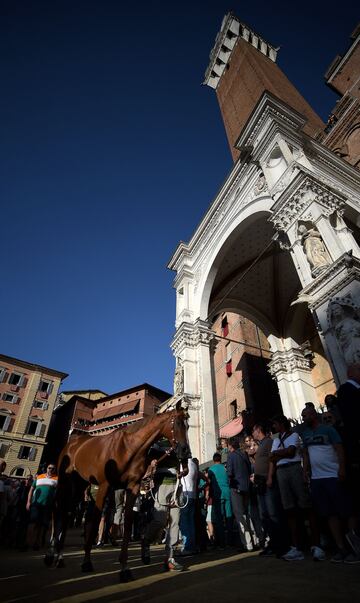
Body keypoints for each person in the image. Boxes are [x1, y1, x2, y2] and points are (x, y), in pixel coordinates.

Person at [301, 406, 355, 563]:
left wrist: (342, 468)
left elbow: (339, 449)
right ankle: (341, 548)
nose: (303, 418)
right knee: (329, 514)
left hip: (333, 474)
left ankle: (354, 545)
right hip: (318, 479)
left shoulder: (328, 430)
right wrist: (305, 471)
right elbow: (305, 454)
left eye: (305, 415)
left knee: (345, 511)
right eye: (302, 416)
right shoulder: (305, 434)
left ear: (313, 415)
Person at [268, 415, 324, 562]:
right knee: (289, 509)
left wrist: (277, 453)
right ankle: (296, 547)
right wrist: (280, 453)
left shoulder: (294, 435)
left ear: (281, 424)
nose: (273, 427)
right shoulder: (275, 440)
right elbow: (271, 458)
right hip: (281, 472)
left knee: (306, 505)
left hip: (294, 469)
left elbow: (291, 452)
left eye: (275, 423)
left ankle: (316, 545)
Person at [141, 444, 188, 572]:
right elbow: (146, 463)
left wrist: (184, 471)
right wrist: (151, 464)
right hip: (161, 486)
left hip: (176, 486)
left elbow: (186, 467)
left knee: (175, 523)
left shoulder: (181, 443)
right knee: (160, 521)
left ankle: (170, 558)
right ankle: (146, 541)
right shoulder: (156, 442)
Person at [252, 422, 288, 557]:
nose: (252, 434)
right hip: (260, 482)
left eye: (253, 431)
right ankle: (272, 543)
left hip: (267, 481)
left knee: (273, 513)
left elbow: (272, 460)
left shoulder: (268, 442)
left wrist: (270, 477)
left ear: (259, 430)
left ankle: (280, 544)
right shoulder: (261, 444)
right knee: (264, 515)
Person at [227, 437, 257, 551]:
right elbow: (249, 470)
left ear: (230, 446)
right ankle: (255, 539)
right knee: (247, 514)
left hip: (236, 488)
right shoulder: (244, 454)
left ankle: (247, 543)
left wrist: (231, 482)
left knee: (240, 516)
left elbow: (230, 473)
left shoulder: (231, 456)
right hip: (246, 487)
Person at [26, 464, 58, 550]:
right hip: (36, 504)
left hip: (48, 505)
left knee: (42, 525)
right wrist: (28, 502)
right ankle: (28, 543)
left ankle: (37, 543)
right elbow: (31, 489)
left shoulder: (57, 479)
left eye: (53, 468)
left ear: (55, 470)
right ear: (46, 468)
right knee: (32, 524)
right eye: (49, 468)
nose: (51, 469)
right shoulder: (39, 477)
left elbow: (57, 494)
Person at [208, 452, 232, 548]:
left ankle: (222, 542)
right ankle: (231, 541)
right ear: (220, 459)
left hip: (218, 495)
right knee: (229, 517)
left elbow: (207, 482)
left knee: (219, 519)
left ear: (214, 460)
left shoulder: (211, 469)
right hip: (227, 493)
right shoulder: (225, 468)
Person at [179, 457, 198, 555]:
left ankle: (187, 547)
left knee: (184, 523)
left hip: (185, 495)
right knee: (190, 523)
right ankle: (192, 546)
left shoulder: (183, 465)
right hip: (193, 496)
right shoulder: (194, 465)